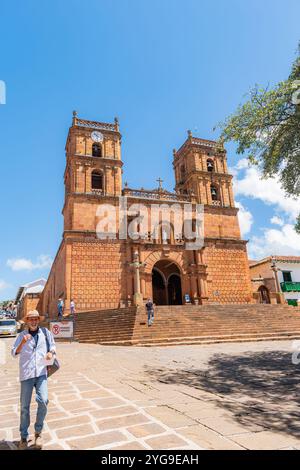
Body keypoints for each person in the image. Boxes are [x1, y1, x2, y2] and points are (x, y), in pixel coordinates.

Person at [11, 310, 56, 450]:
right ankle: (23, 437)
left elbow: (53, 346)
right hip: (27, 374)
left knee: (44, 400)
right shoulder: (22, 335)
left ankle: (38, 432)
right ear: (27, 321)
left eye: (36, 319)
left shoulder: (45, 333)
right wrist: (22, 344)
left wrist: (50, 353)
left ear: (38, 320)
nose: (34, 321)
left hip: (41, 372)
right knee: (24, 407)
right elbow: (13, 353)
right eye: (31, 319)